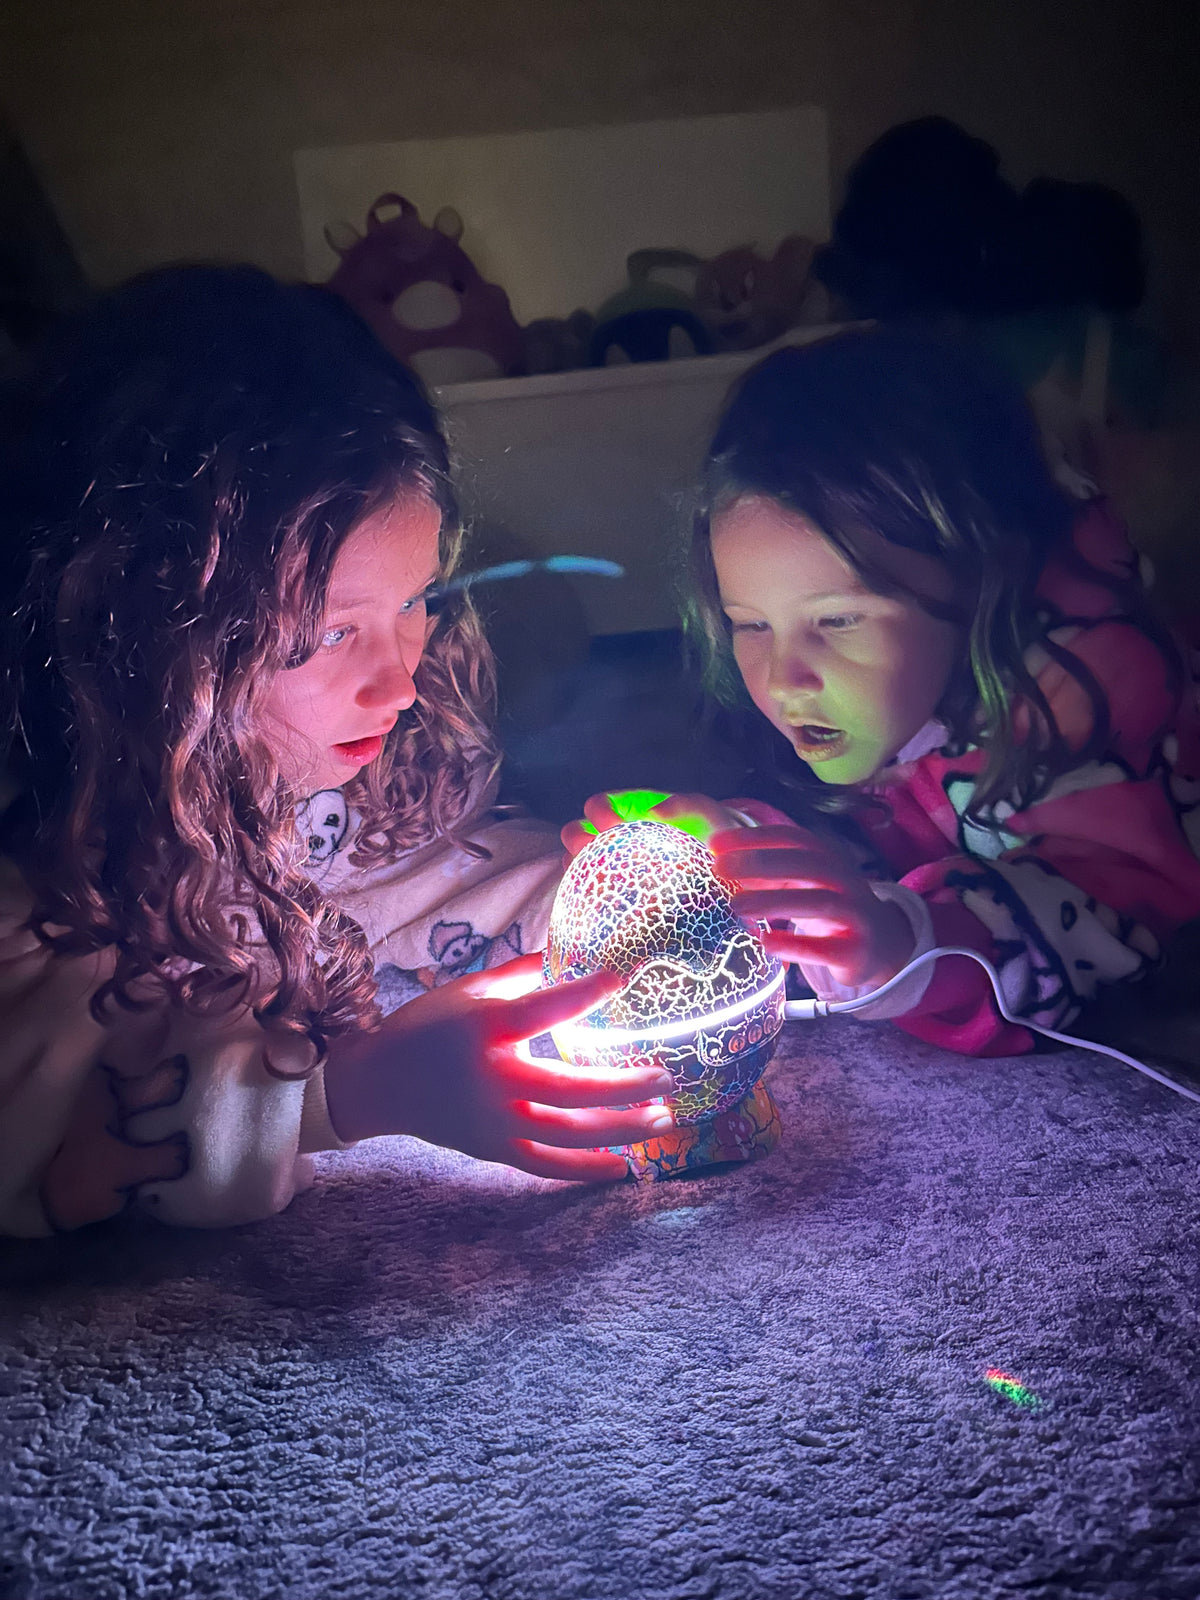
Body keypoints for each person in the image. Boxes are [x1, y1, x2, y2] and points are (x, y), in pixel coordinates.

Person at [0, 265, 677, 1237]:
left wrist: (611, 885)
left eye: (416, 603)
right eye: (322, 636)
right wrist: (347, 1093)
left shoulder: (325, 769)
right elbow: (43, 1138)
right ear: (141, 641)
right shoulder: (44, 886)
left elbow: (424, 877)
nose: (398, 681)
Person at [565, 328, 1200, 1056]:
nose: (782, 677)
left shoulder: (1093, 696)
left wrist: (903, 948)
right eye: (750, 625)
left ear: (979, 576)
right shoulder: (879, 697)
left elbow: (1110, 915)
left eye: (835, 620)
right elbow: (862, 835)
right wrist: (743, 854)